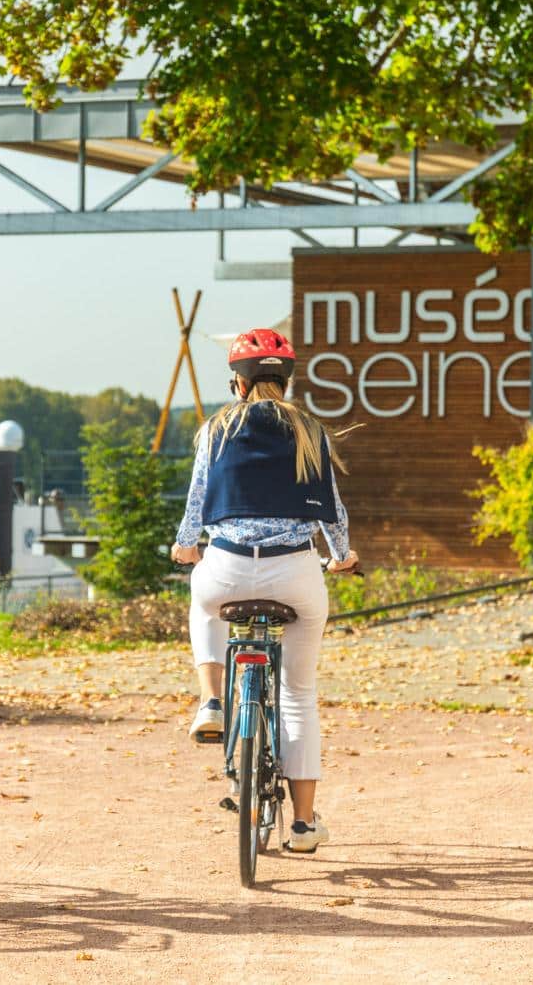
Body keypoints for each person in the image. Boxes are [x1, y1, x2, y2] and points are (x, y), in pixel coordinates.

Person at [171, 328, 358, 854]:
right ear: (286, 378)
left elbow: (196, 504)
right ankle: (302, 825)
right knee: (298, 695)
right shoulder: (309, 431)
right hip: (295, 573)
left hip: (227, 566)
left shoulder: (216, 430)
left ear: (238, 382)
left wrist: (187, 547)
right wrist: (343, 556)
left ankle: (211, 701)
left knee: (203, 602)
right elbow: (334, 512)